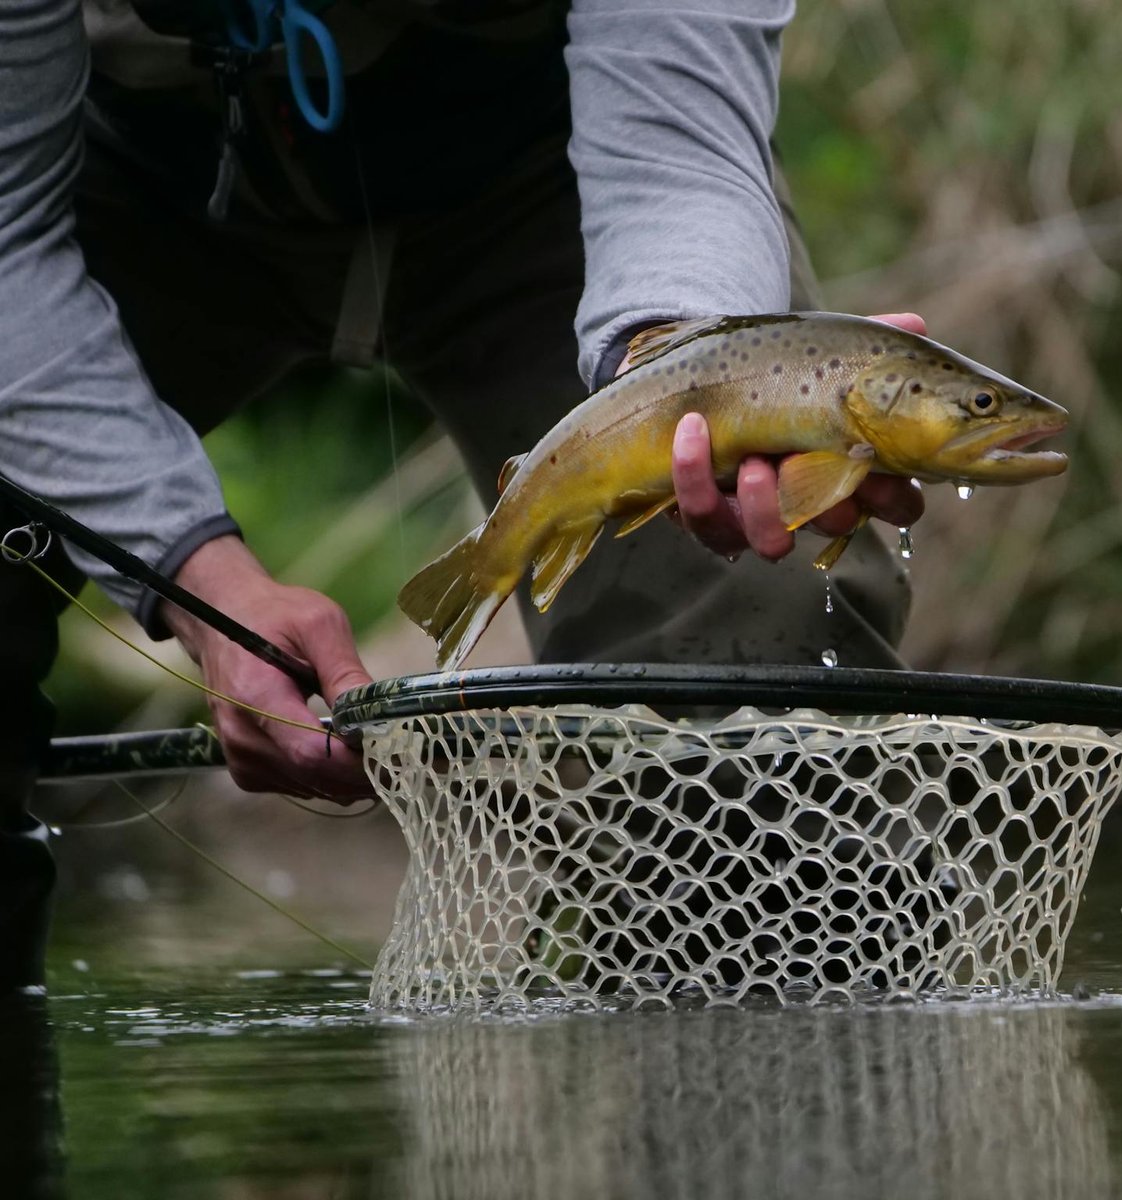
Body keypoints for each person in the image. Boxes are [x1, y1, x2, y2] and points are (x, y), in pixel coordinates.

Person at [0, 0, 924, 987]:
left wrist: (692, 384)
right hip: (123, 174)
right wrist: (195, 576)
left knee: (754, 599)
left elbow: (673, 147)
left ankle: (767, 1087)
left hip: (551, 158)